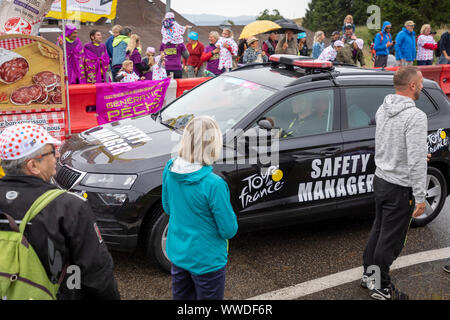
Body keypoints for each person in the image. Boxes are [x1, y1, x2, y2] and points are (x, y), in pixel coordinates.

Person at [0, 123, 120, 300]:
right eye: (51, 151)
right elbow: (96, 272)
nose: (57, 155)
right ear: (33, 165)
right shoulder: (69, 206)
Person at [361, 66, 429, 300]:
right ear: (412, 86)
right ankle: (381, 286)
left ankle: (369, 276)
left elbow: (390, 142)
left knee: (379, 230)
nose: (422, 85)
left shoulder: (384, 107)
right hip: (400, 186)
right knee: (390, 240)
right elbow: (416, 161)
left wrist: (419, 152)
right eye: (420, 82)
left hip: (381, 180)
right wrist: (420, 197)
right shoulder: (415, 116)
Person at [162, 116, 238, 300]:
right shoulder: (214, 184)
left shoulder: (170, 168)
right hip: (207, 259)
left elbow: (168, 208)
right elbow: (229, 230)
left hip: (179, 253)